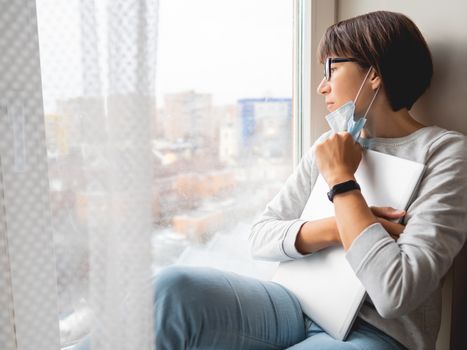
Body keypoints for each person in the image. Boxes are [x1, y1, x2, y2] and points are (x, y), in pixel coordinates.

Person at [154, 11, 467, 350]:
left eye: (331, 68)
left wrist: (342, 181)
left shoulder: (443, 151)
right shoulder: (330, 144)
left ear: (374, 74)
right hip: (297, 304)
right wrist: (337, 228)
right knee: (173, 288)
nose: (322, 86)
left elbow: (395, 292)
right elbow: (260, 236)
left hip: (378, 332)